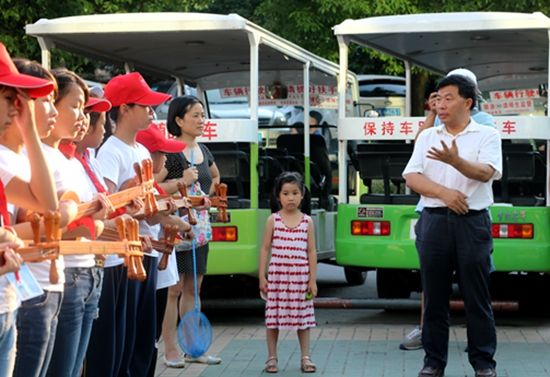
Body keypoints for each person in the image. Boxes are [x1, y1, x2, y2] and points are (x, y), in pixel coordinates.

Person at [403, 75, 501, 377]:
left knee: (477, 297)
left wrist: (456, 161)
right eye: (438, 98)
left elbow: (487, 172)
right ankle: (433, 362)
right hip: (434, 222)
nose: (441, 104)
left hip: (473, 223)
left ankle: (483, 363)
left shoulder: (487, 134)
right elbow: (412, 176)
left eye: (448, 98)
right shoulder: (429, 137)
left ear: (468, 102)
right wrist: (445, 194)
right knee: (434, 297)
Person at [97, 71, 171, 377]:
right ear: (124, 109)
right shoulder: (110, 152)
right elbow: (106, 210)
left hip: (146, 251)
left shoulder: (141, 151)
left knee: (142, 338)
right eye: (145, 105)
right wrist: (133, 200)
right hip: (121, 258)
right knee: (120, 342)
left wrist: (165, 215)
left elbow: (147, 207)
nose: (152, 112)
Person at [159, 95, 222, 367]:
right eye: (195, 115)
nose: (201, 120)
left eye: (202, 114)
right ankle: (170, 349)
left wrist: (204, 196)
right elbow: (152, 187)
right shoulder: (170, 153)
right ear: (178, 120)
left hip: (200, 231)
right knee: (173, 290)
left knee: (193, 289)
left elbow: (216, 177)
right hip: (175, 230)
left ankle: (193, 347)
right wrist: (179, 186)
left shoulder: (204, 151)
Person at [258, 171, 317, 374]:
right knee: (273, 318)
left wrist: (313, 280)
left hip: (301, 278)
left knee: (303, 319)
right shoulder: (272, 220)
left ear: (302, 195)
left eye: (295, 192)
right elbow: (265, 248)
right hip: (277, 278)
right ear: (278, 196)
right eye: (285, 193)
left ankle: (305, 357)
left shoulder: (307, 221)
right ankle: (271, 358)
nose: (290, 197)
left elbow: (311, 251)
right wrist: (262, 276)